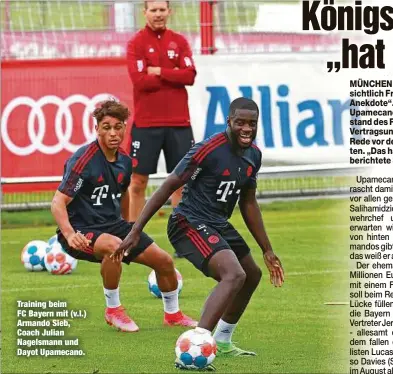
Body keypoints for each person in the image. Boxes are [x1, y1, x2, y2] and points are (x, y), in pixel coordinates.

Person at [112, 97, 285, 367]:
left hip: (217, 222)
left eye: (252, 123)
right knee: (233, 274)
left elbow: (248, 202)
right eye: (240, 122)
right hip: (187, 222)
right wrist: (136, 230)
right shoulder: (208, 149)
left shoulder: (254, 155)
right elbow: (169, 185)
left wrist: (267, 249)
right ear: (229, 122)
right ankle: (196, 344)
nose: (246, 129)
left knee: (251, 274)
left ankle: (224, 341)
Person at [51, 99, 197, 333]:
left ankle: (173, 314)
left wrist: (131, 227)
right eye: (106, 127)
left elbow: (124, 194)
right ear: (96, 128)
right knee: (113, 246)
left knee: (165, 261)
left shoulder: (125, 162)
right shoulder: (83, 160)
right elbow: (58, 202)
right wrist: (69, 234)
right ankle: (113, 310)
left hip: (114, 226)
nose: (113, 133)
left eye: (118, 127)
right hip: (80, 230)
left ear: (125, 128)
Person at [126, 1, 196, 230]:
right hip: (146, 124)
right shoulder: (136, 43)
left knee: (180, 183)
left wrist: (158, 71)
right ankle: (132, 237)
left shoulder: (179, 41)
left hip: (179, 123)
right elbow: (139, 80)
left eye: (162, 10)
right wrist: (172, 74)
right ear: (144, 12)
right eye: (153, 10)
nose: (158, 14)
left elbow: (189, 76)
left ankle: (183, 236)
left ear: (169, 12)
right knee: (137, 182)